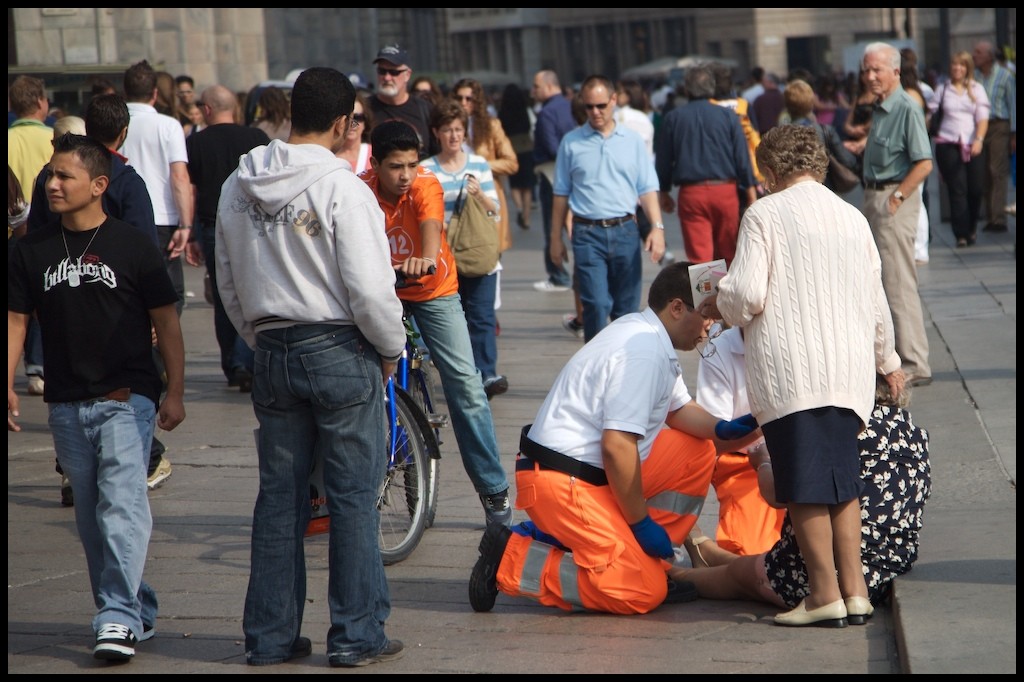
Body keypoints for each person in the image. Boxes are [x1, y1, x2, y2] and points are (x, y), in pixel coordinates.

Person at [214, 67, 406, 668]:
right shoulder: (343, 188)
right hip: (339, 347)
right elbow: (372, 291)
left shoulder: (238, 184)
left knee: (280, 499)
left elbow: (226, 280)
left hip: (272, 347)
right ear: (347, 121)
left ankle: (269, 638)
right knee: (350, 498)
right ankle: (355, 635)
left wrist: (259, 336)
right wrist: (389, 349)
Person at [467, 261, 761, 615]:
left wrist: (719, 430)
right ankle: (510, 558)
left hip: (582, 475)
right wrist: (640, 522)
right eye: (707, 314)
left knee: (696, 452)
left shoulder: (650, 337)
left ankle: (649, 559)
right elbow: (617, 446)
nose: (712, 325)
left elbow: (679, 410)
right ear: (677, 308)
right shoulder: (643, 352)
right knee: (641, 591)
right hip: (563, 482)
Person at [704, 124, 904, 628]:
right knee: (843, 482)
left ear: (770, 172)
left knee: (805, 485)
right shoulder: (852, 216)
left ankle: (822, 593)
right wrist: (890, 360)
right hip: (848, 370)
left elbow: (747, 294)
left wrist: (718, 300)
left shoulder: (765, 213)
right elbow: (876, 299)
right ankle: (855, 591)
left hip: (793, 371)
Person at [8, 132, 186, 661]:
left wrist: (174, 390)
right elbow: (16, 320)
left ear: (98, 185)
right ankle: (136, 605)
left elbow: (167, 323)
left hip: (126, 395)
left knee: (121, 506)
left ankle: (115, 617)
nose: (53, 184)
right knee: (90, 519)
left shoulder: (133, 244)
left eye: (64, 176)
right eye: (50, 175)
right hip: (65, 402)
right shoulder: (29, 249)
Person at [669, 376, 931, 620]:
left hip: (816, 573)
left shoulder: (835, 426)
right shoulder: (913, 433)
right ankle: (706, 552)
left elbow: (782, 494)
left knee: (738, 576)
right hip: (888, 565)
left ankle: (672, 575)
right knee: (750, 564)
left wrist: (763, 463)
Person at [364, 119, 514, 525]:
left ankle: (494, 491)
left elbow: (430, 228)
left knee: (466, 385)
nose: (405, 175)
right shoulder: (358, 190)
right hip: (382, 293)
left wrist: (425, 259)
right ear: (374, 163)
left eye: (412, 164)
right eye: (396, 167)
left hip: (433, 289)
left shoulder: (424, 185)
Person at [549, 75, 666, 343]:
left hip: (625, 230)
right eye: (589, 107)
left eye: (601, 105)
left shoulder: (632, 140)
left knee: (626, 310)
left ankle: (624, 368)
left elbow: (647, 187)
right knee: (597, 304)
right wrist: (554, 239)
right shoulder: (572, 142)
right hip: (587, 233)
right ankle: (596, 367)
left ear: (614, 100)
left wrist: (657, 228)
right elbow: (560, 194)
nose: (595, 112)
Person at [122, 58, 194, 487]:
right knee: (169, 300)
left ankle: (147, 349)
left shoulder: (114, 118)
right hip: (163, 218)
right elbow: (179, 175)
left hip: (121, 217)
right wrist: (186, 225)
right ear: (154, 93)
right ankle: (157, 356)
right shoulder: (167, 125)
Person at [845, 42, 934, 389]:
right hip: (876, 195)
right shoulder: (882, 107)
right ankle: (899, 356)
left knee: (898, 283)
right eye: (866, 70)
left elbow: (924, 161)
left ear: (895, 71)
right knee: (883, 281)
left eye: (876, 69)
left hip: (892, 197)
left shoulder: (906, 107)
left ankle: (914, 361)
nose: (869, 76)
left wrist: (896, 199)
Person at [419, 101, 508, 399]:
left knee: (482, 316)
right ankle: (464, 373)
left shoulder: (480, 164)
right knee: (454, 318)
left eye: (459, 130)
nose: (454, 136)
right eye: (448, 130)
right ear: (437, 133)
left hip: (477, 252)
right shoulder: (426, 169)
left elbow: (494, 212)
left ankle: (487, 373)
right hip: (444, 257)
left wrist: (480, 195)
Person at [185, 85, 270, 392]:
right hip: (253, 224)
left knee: (224, 295)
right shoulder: (257, 139)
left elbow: (190, 190)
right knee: (253, 291)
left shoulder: (194, 142)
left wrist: (191, 234)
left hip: (212, 226)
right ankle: (249, 359)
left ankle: (234, 365)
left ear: (207, 109)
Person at [694, 325, 786, 557]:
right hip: (743, 464)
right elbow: (712, 442)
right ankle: (696, 545)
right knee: (751, 553)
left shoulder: (806, 337)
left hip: (802, 455)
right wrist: (763, 429)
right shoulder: (718, 350)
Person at [656, 63, 757, 266]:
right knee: (728, 251)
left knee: (700, 259)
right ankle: (728, 296)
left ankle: (706, 298)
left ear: (686, 89)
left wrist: (664, 191)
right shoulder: (728, 116)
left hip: (692, 194)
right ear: (711, 87)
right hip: (725, 191)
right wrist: (750, 189)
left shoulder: (673, 118)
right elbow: (742, 156)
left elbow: (664, 159)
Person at [9, 78, 57, 401]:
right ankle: (38, 367)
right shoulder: (54, 138)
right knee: (43, 296)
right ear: (41, 103)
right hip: (44, 229)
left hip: (11, 232)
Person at [451, 78, 519, 257]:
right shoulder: (447, 127)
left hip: (486, 194)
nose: (463, 103)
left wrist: (479, 166)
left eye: (469, 99)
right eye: (459, 98)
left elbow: (511, 162)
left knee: (490, 254)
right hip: (455, 195)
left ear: (477, 101)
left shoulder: (491, 125)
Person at [929, 51, 990, 248]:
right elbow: (930, 113)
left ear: (967, 68)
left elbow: (983, 117)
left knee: (975, 189)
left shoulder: (976, 89)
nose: (957, 68)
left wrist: (979, 139)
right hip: (948, 143)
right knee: (957, 189)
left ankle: (972, 226)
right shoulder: (942, 89)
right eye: (954, 65)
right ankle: (960, 234)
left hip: (973, 143)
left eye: (962, 65)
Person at [530, 69, 577, 292]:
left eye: (536, 86)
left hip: (551, 174)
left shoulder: (547, 113)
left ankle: (558, 274)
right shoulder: (570, 105)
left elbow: (551, 147)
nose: (533, 91)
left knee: (553, 224)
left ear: (549, 86)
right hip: (572, 173)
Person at [783, 78, 860, 195]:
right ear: (811, 102)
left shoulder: (780, 134)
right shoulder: (824, 130)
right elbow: (848, 161)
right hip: (823, 190)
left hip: (791, 192)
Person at [972, 40, 1016, 234]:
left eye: (979, 53)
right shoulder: (974, 77)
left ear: (990, 56)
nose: (975, 56)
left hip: (999, 125)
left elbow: (1013, 104)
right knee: (984, 173)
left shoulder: (1005, 76)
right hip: (979, 127)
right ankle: (990, 216)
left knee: (997, 170)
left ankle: (998, 218)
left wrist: (1014, 134)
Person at [368, 44, 437, 159]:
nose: (387, 77)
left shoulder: (426, 110)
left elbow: (439, 155)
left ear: (407, 75)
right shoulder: (364, 110)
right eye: (382, 71)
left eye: (394, 72)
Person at [899, 48, 933, 265]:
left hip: (912, 152)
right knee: (916, 199)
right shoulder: (917, 92)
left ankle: (920, 249)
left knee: (917, 199)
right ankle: (917, 247)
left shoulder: (910, 95)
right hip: (913, 149)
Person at [497, 83, 536, 231]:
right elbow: (531, 127)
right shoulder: (525, 110)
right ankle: (526, 217)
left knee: (514, 184)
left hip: (511, 148)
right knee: (527, 185)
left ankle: (519, 208)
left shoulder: (503, 112)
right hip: (526, 147)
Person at [335, 91, 374, 174]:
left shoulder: (375, 153)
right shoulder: (329, 155)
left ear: (365, 122)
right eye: (347, 118)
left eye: (357, 117)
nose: (352, 123)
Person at [751, 72, 785, 136]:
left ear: (770, 82)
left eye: (764, 82)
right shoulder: (784, 98)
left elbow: (754, 119)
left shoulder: (760, 100)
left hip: (765, 135)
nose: (762, 84)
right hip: (782, 134)